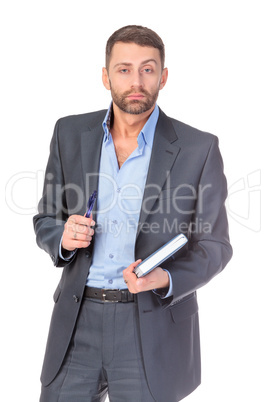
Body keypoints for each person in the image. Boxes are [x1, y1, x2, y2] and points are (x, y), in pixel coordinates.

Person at [33, 25, 233, 402]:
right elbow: (46, 218)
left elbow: (216, 245)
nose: (136, 81)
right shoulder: (69, 133)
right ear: (106, 76)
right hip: (77, 321)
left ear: (164, 76)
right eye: (124, 69)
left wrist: (165, 278)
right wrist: (62, 237)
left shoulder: (199, 148)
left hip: (151, 326)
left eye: (148, 68)